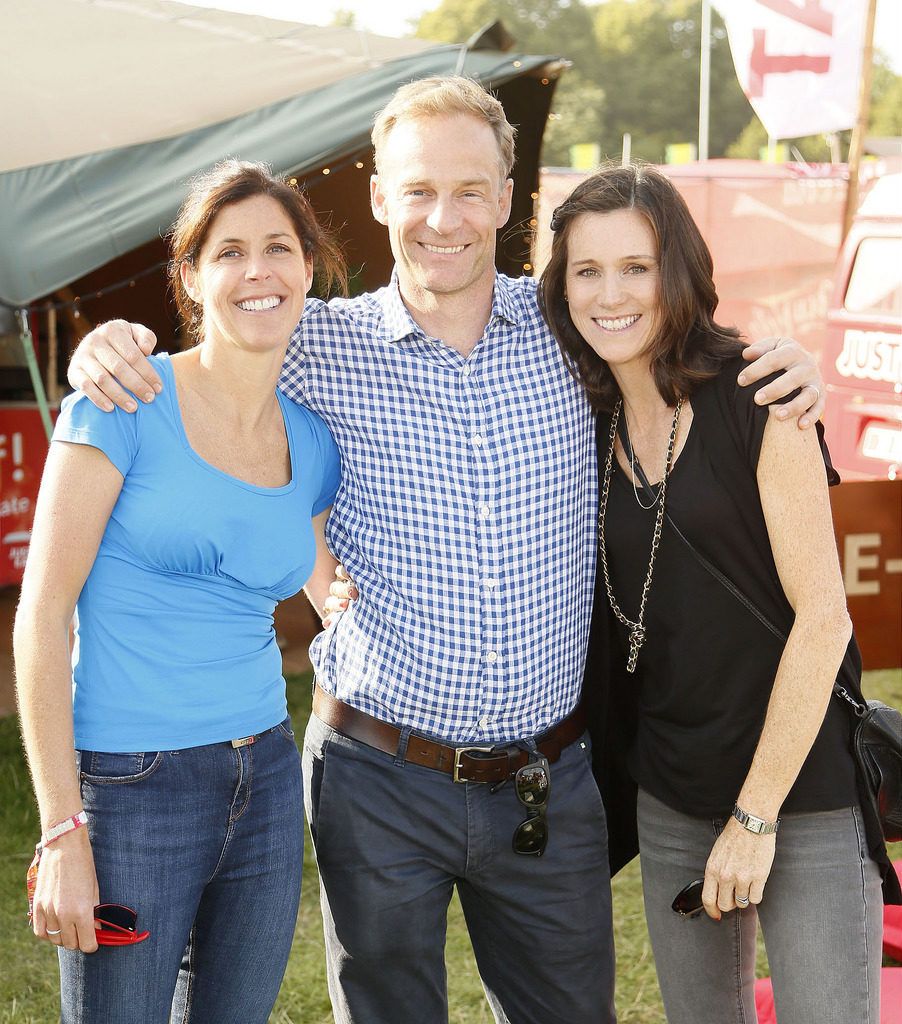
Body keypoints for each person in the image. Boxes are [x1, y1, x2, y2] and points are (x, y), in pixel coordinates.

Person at [64, 78, 825, 1024]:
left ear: (507, 200)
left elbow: (685, 347)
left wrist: (789, 359)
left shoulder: (575, 329)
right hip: (376, 772)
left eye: (471, 191)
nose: (444, 219)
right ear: (379, 198)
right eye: (418, 191)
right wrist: (104, 346)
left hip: (551, 778)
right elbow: (214, 364)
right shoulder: (313, 343)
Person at [538, 163, 888, 1024]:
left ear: (680, 272)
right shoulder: (586, 416)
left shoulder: (760, 394)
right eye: (587, 270)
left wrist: (756, 815)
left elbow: (823, 617)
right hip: (671, 794)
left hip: (798, 790)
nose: (611, 293)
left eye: (637, 266)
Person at [15, 160, 345, 1023]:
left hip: (268, 778)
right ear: (191, 277)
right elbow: (42, 617)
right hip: (133, 788)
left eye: (279, 247)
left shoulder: (312, 444)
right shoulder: (123, 403)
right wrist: (60, 831)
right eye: (228, 251)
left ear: (308, 268)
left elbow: (324, 581)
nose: (258, 271)